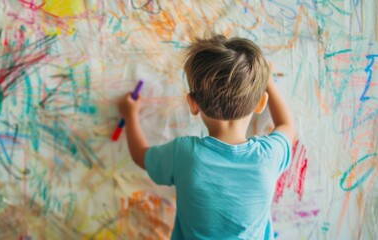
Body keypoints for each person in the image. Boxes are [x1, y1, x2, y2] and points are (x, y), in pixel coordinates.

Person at [117, 33, 295, 240]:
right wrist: (268, 83)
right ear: (261, 104)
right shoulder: (269, 155)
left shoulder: (184, 154)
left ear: (193, 104)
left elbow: (141, 156)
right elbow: (286, 125)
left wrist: (130, 115)